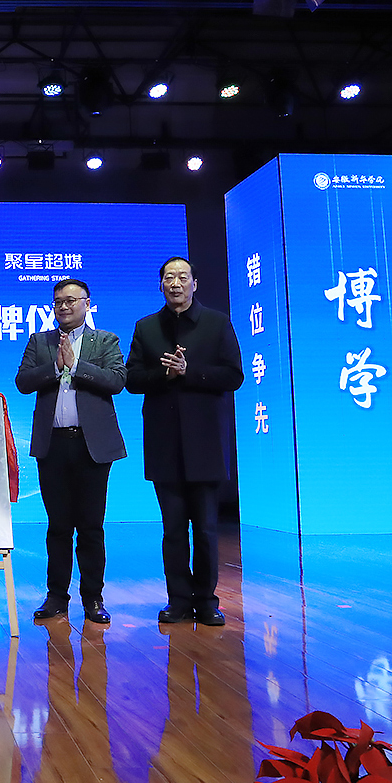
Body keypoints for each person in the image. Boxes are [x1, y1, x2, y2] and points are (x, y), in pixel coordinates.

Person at [124, 255, 244, 626]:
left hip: (205, 443)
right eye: (169, 277)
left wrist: (190, 373)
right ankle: (177, 600)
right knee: (173, 529)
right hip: (165, 444)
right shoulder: (146, 327)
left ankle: (207, 601)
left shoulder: (217, 323)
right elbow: (132, 380)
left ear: (195, 283)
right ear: (160, 285)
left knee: (206, 529)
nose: (176, 283)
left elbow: (234, 376)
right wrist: (166, 375)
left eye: (182, 277)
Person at [14, 278, 127, 625]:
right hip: (53, 444)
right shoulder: (40, 342)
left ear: (87, 303)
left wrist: (76, 367)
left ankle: (93, 598)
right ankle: (56, 597)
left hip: (92, 446)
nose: (63, 307)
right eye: (58, 302)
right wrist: (56, 367)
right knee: (59, 526)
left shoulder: (105, 340)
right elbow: (23, 382)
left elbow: (117, 381)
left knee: (91, 526)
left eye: (71, 300)